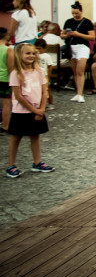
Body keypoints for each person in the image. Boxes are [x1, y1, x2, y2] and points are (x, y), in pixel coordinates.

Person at [5, 42, 52, 178]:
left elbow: (45, 91)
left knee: (35, 135)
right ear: (19, 55)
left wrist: (41, 109)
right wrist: (33, 110)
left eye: (33, 53)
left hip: (38, 110)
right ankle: (11, 165)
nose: (31, 55)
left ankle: (37, 162)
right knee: (16, 137)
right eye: (27, 53)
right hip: (21, 112)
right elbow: (18, 95)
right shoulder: (16, 73)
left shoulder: (39, 71)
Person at [62, 2, 96, 103]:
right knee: (75, 72)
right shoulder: (68, 22)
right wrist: (67, 35)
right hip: (71, 47)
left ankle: (80, 94)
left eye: (76, 13)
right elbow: (62, 35)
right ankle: (77, 93)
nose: (75, 15)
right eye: (73, 13)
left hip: (82, 47)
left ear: (81, 11)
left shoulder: (87, 22)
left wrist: (79, 34)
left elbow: (92, 37)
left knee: (80, 70)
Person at [0, 28, 9, 134]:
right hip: (4, 78)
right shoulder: (8, 50)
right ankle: (5, 126)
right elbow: (10, 66)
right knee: (6, 104)